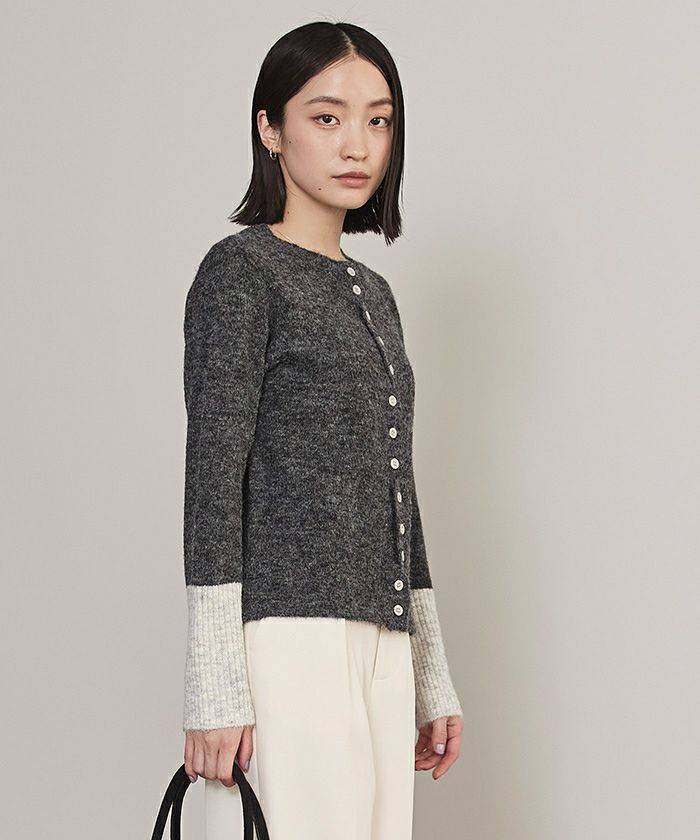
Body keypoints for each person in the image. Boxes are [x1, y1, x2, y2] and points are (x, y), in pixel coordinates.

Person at [181, 20, 464, 840]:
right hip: (289, 641)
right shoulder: (241, 274)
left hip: (381, 641)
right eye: (327, 116)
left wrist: (429, 674)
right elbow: (213, 482)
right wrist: (215, 688)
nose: (357, 144)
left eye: (378, 120)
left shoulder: (375, 293)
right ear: (270, 128)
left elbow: (398, 489)